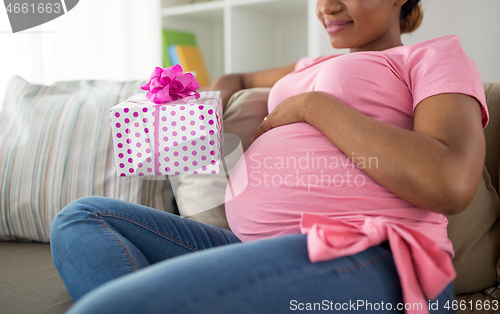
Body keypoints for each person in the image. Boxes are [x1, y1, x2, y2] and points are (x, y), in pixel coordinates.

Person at [50, 0, 488, 313]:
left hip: (373, 252)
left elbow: (448, 180)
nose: (327, 6)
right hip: (250, 248)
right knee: (81, 219)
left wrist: (312, 106)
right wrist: (199, 107)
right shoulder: (307, 66)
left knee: (113, 306)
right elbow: (236, 76)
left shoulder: (430, 55)